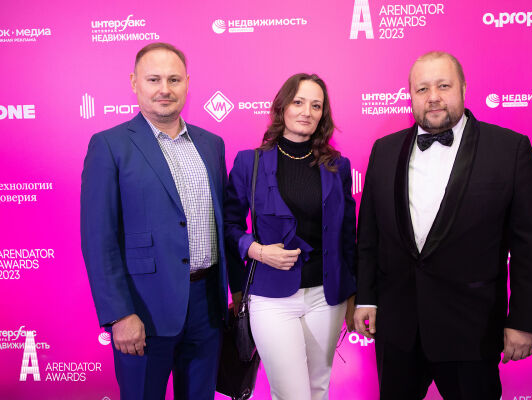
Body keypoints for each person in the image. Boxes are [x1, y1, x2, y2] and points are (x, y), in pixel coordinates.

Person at [354, 51, 532, 399]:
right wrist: (366, 298)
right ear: (410, 95)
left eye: (443, 86)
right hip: (398, 329)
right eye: (422, 89)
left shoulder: (509, 149)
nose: (433, 97)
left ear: (463, 88)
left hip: (471, 330)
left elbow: (531, 247)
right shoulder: (384, 150)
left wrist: (523, 321)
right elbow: (369, 234)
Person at [80, 42, 241, 400]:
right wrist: (119, 314)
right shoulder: (109, 145)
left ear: (187, 83)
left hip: (207, 308)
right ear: (134, 83)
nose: (164, 89)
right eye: (154, 79)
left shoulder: (211, 144)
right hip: (143, 311)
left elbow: (222, 225)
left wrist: (235, 291)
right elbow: (98, 239)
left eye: (174, 79)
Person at [224, 73, 357, 400]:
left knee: (318, 389)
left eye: (316, 105)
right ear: (282, 107)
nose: (307, 112)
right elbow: (228, 225)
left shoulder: (337, 166)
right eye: (298, 102)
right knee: (291, 394)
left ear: (323, 114)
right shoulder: (250, 162)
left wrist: (354, 293)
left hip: (327, 297)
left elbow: (347, 235)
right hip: (271, 298)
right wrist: (256, 250)